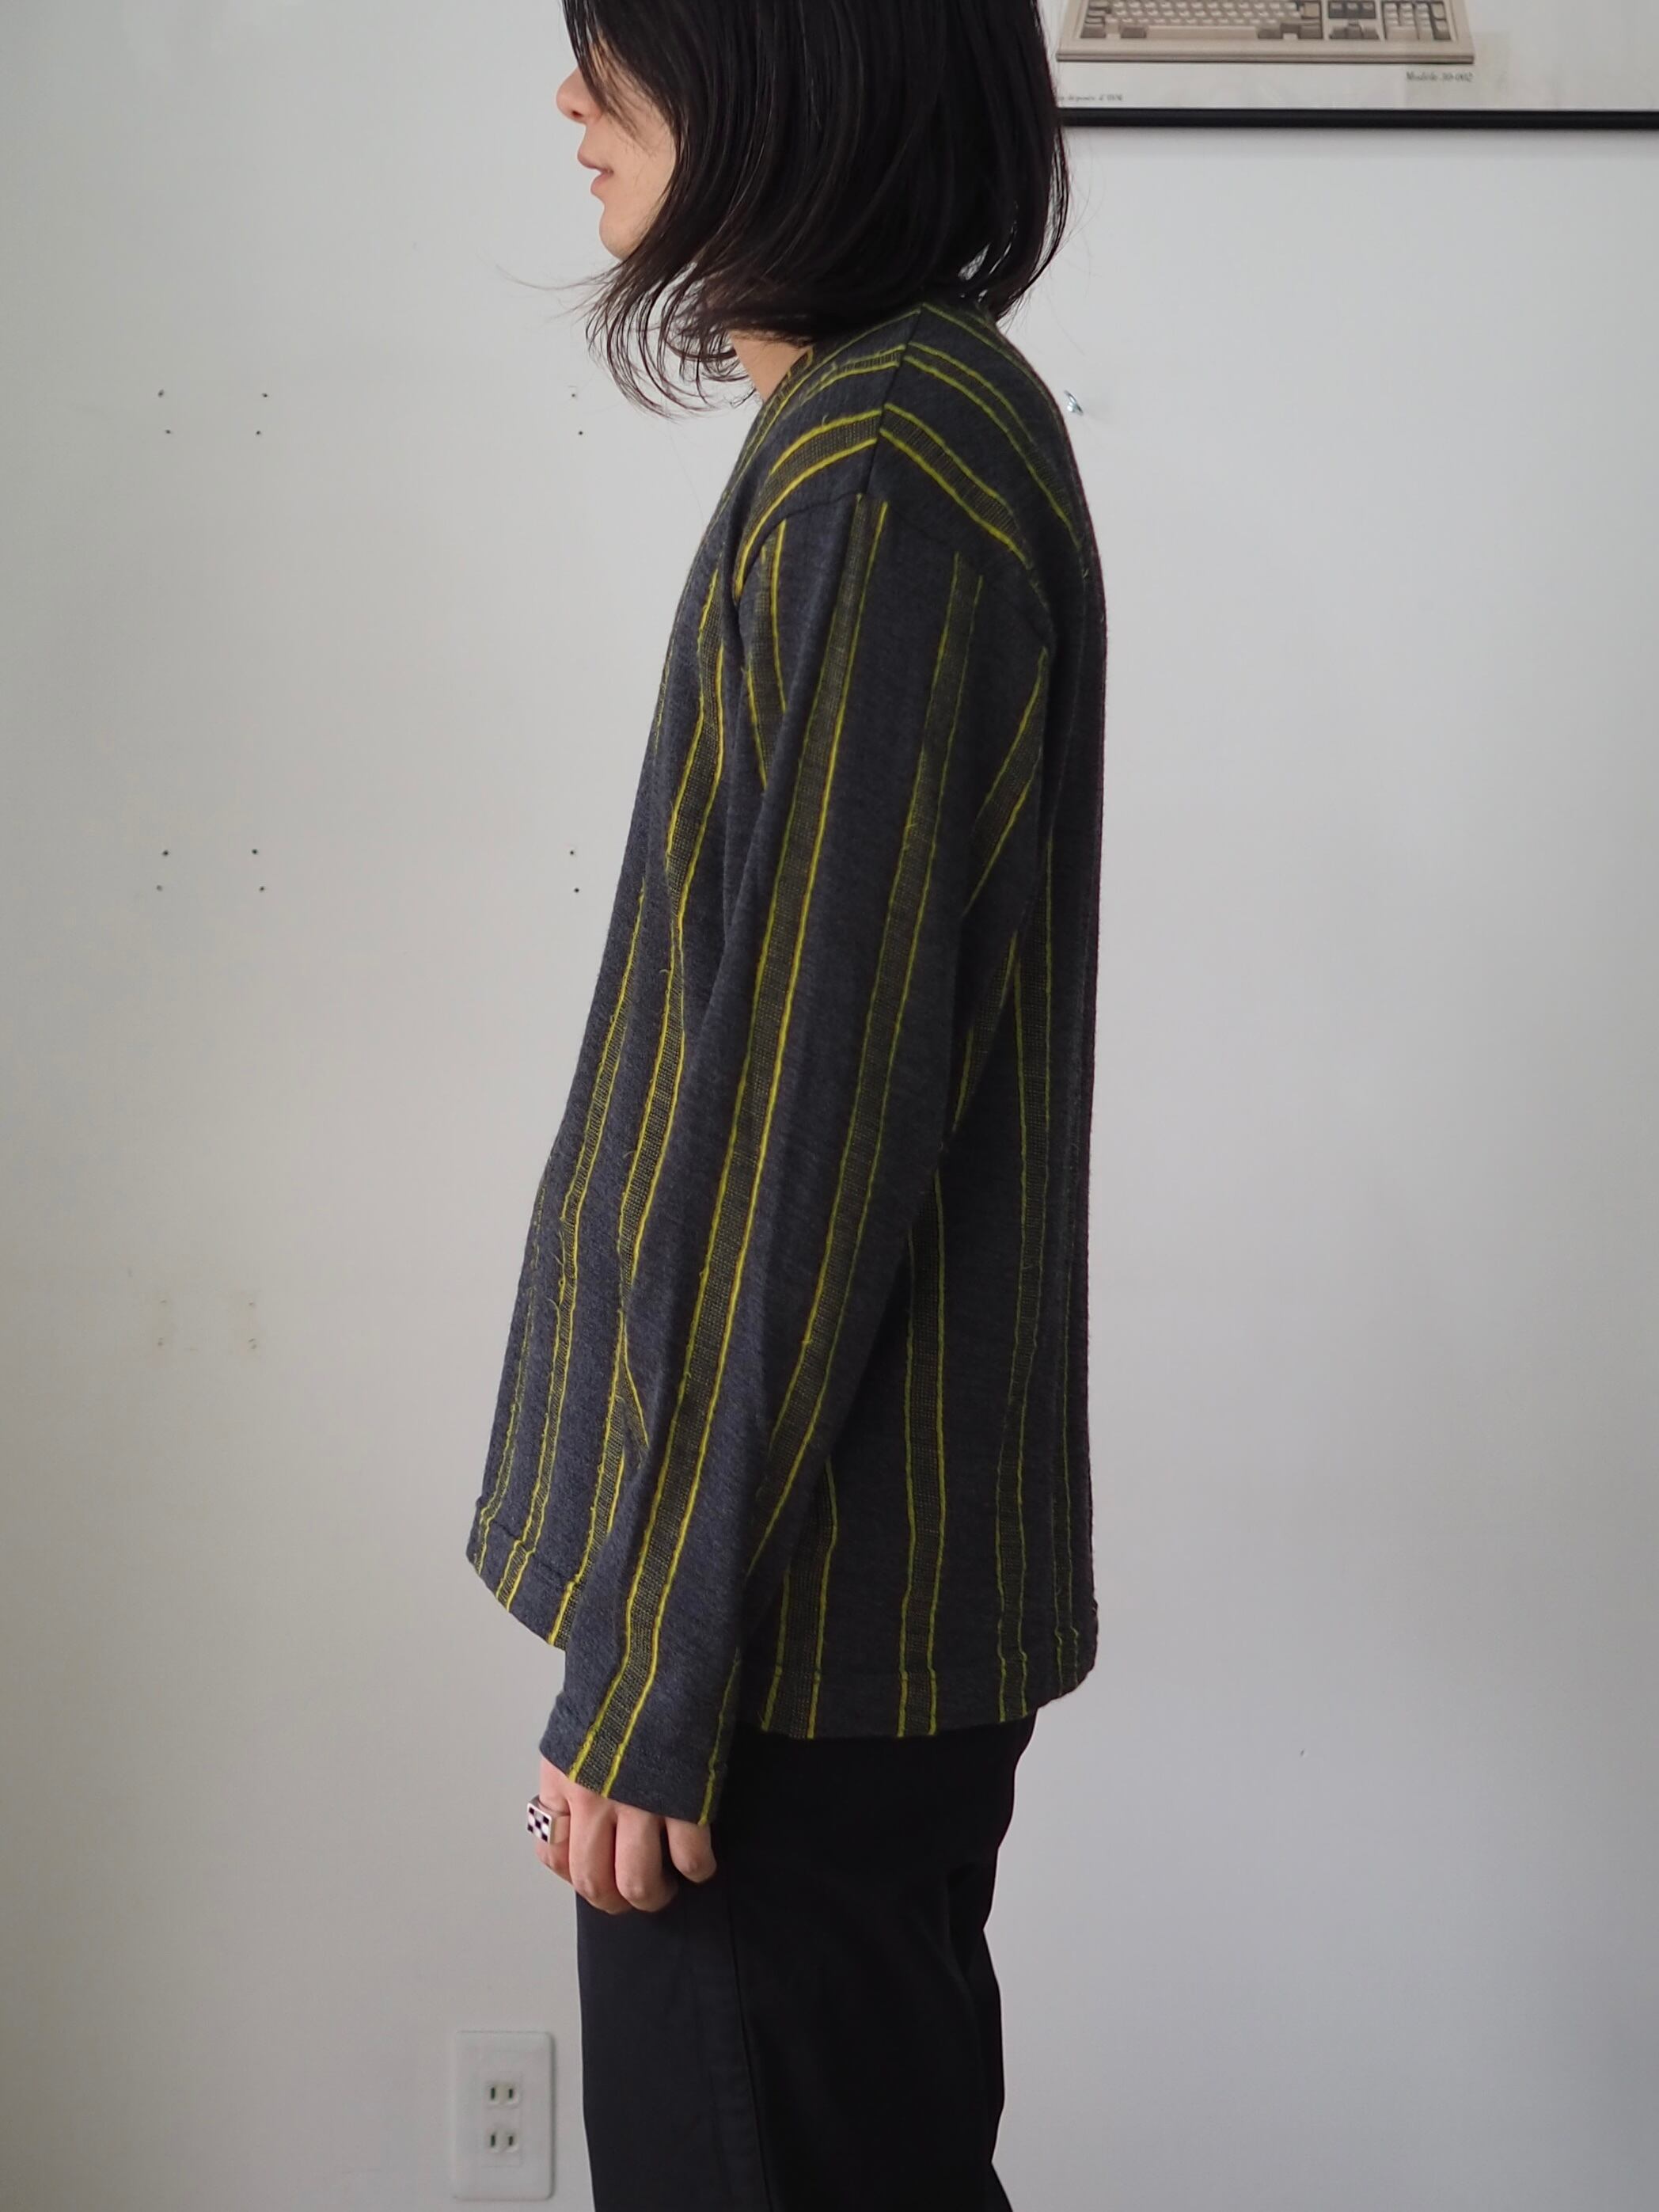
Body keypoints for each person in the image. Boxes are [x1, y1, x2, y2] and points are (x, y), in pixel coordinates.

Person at [463, 3, 1108, 2203]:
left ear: (790, 67)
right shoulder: (897, 424)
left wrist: (658, 1661)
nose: (573, 102)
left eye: (619, 53)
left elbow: (798, 1132)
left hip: (780, 1660)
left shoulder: (884, 469)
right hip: (809, 1621)